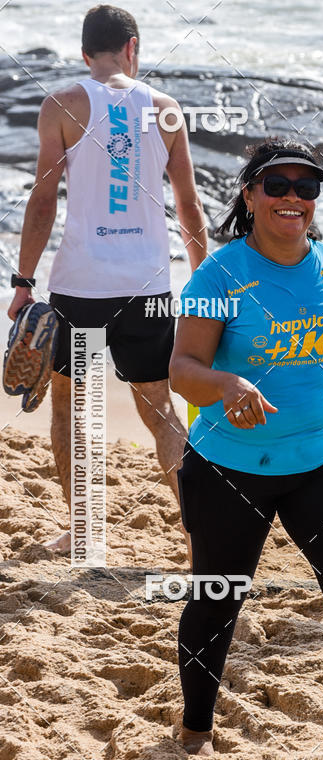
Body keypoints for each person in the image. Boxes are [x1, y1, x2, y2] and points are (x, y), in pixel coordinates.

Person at [169, 138, 323, 760]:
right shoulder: (219, 275)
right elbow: (183, 369)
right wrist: (227, 385)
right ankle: (196, 730)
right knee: (217, 599)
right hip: (228, 469)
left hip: (322, 464)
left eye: (305, 187)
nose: (292, 198)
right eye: (276, 185)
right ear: (250, 195)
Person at [8, 4, 207, 553]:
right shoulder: (166, 109)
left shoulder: (62, 105)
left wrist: (23, 281)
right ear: (132, 47)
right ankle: (198, 536)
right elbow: (189, 206)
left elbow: (42, 200)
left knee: (71, 408)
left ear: (84, 54)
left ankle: (85, 531)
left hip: (81, 286)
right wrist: (202, 279)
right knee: (160, 411)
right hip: (149, 286)